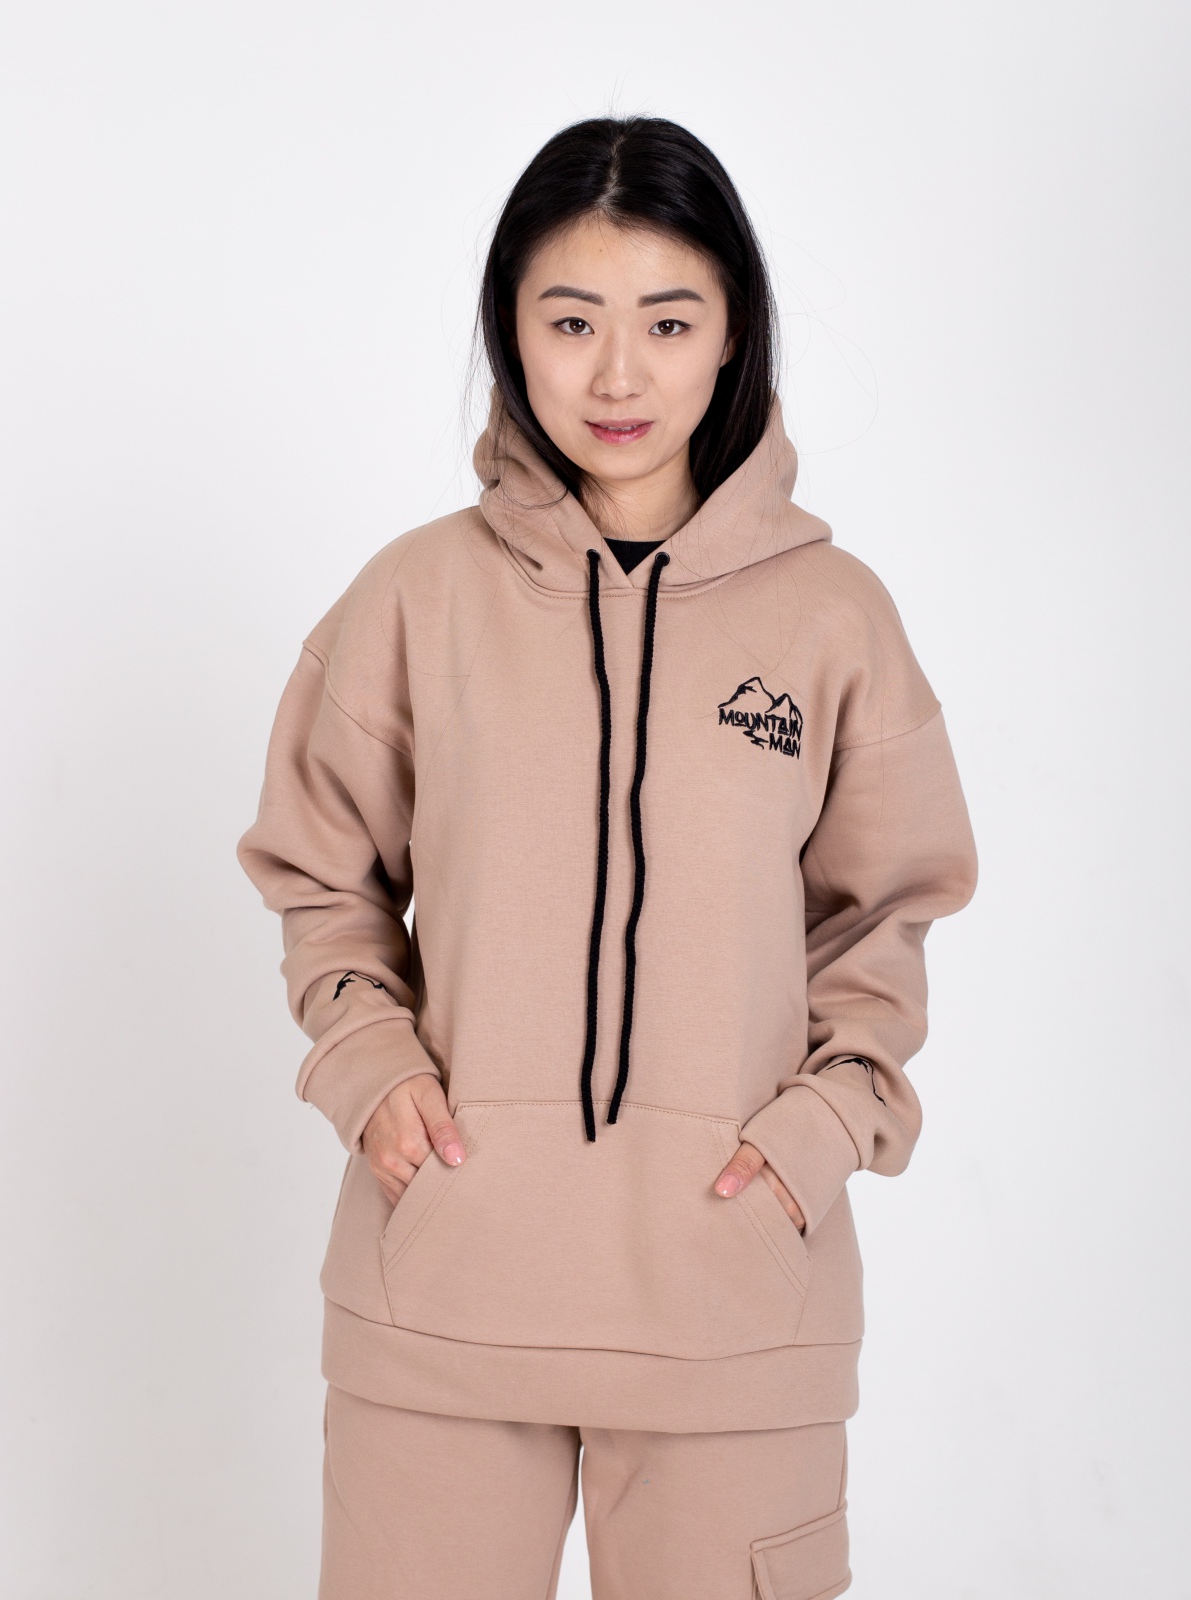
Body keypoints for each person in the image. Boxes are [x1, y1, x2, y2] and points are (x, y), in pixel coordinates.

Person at [236, 113, 978, 1600]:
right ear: (509, 330)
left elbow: (886, 916)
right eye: (571, 321)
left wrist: (820, 1134)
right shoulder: (413, 598)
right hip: (443, 1294)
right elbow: (318, 869)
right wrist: (369, 1066)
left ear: (733, 333)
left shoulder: (836, 619)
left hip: (735, 1302)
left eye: (668, 321)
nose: (619, 375)